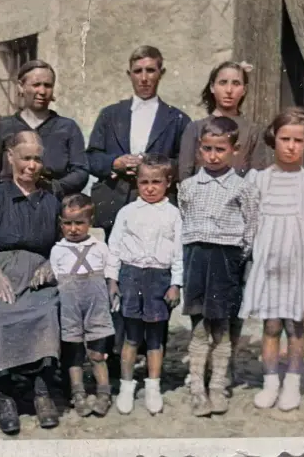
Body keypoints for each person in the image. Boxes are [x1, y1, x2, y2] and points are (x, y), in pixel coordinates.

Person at [85, 45, 191, 375]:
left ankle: (149, 348)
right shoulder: (110, 114)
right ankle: (116, 351)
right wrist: (115, 162)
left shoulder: (176, 118)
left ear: (161, 73)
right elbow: (91, 158)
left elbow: (185, 162)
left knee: (155, 272)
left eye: (151, 70)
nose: (144, 78)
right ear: (129, 74)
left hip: (158, 209)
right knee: (118, 276)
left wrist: (155, 167)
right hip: (115, 203)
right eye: (138, 71)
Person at [177, 60, 274, 397]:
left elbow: (258, 179)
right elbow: (185, 174)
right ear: (212, 86)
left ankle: (225, 364)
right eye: (222, 82)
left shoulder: (253, 131)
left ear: (244, 89)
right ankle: (199, 368)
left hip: (236, 225)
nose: (229, 89)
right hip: (204, 220)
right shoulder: (195, 128)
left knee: (232, 301)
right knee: (201, 304)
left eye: (236, 83)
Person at [0, 130, 63, 435]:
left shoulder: (51, 198)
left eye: (37, 159)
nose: (32, 166)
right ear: (10, 157)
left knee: (48, 308)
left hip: (37, 274)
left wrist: (51, 262)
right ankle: (2, 392)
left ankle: (41, 389)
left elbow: (64, 241)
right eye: (26, 158)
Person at [239, 107, 304, 412]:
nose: (290, 146)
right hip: (269, 262)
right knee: (271, 325)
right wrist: (250, 260)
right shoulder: (260, 180)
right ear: (273, 139)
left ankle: (292, 382)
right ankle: (270, 382)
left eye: (298, 140)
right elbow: (251, 224)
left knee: (295, 326)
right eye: (285, 138)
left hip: (298, 262)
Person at [177, 116, 259, 417]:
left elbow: (251, 226)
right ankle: (197, 386)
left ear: (233, 150)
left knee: (222, 327)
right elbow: (184, 222)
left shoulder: (243, 188)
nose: (213, 156)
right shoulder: (187, 187)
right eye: (207, 149)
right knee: (199, 327)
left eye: (220, 150)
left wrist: (239, 258)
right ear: (199, 149)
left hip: (226, 260)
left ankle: (218, 385)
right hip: (197, 259)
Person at [105, 154, 182, 416]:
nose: (150, 187)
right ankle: (127, 386)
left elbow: (179, 253)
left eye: (156, 182)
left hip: (159, 278)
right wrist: (112, 279)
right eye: (145, 182)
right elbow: (113, 248)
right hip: (131, 276)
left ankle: (153, 386)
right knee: (131, 336)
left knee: (154, 338)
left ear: (167, 183)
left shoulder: (173, 214)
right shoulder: (127, 212)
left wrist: (175, 284)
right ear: (136, 182)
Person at [0, 60, 89, 198]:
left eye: (48, 85)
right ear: (21, 86)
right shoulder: (6, 126)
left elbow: (81, 171)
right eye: (36, 84)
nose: (42, 91)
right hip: (10, 203)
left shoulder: (67, 127)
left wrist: (54, 188)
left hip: (52, 202)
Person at [49, 193, 114, 418]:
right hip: (71, 307)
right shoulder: (58, 250)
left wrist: (112, 288)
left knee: (97, 353)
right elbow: (58, 278)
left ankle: (104, 392)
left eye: (79, 223)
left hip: (95, 305)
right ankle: (78, 393)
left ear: (90, 222)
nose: (73, 229)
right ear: (61, 224)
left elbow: (110, 270)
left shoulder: (99, 246)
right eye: (68, 223)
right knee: (74, 353)